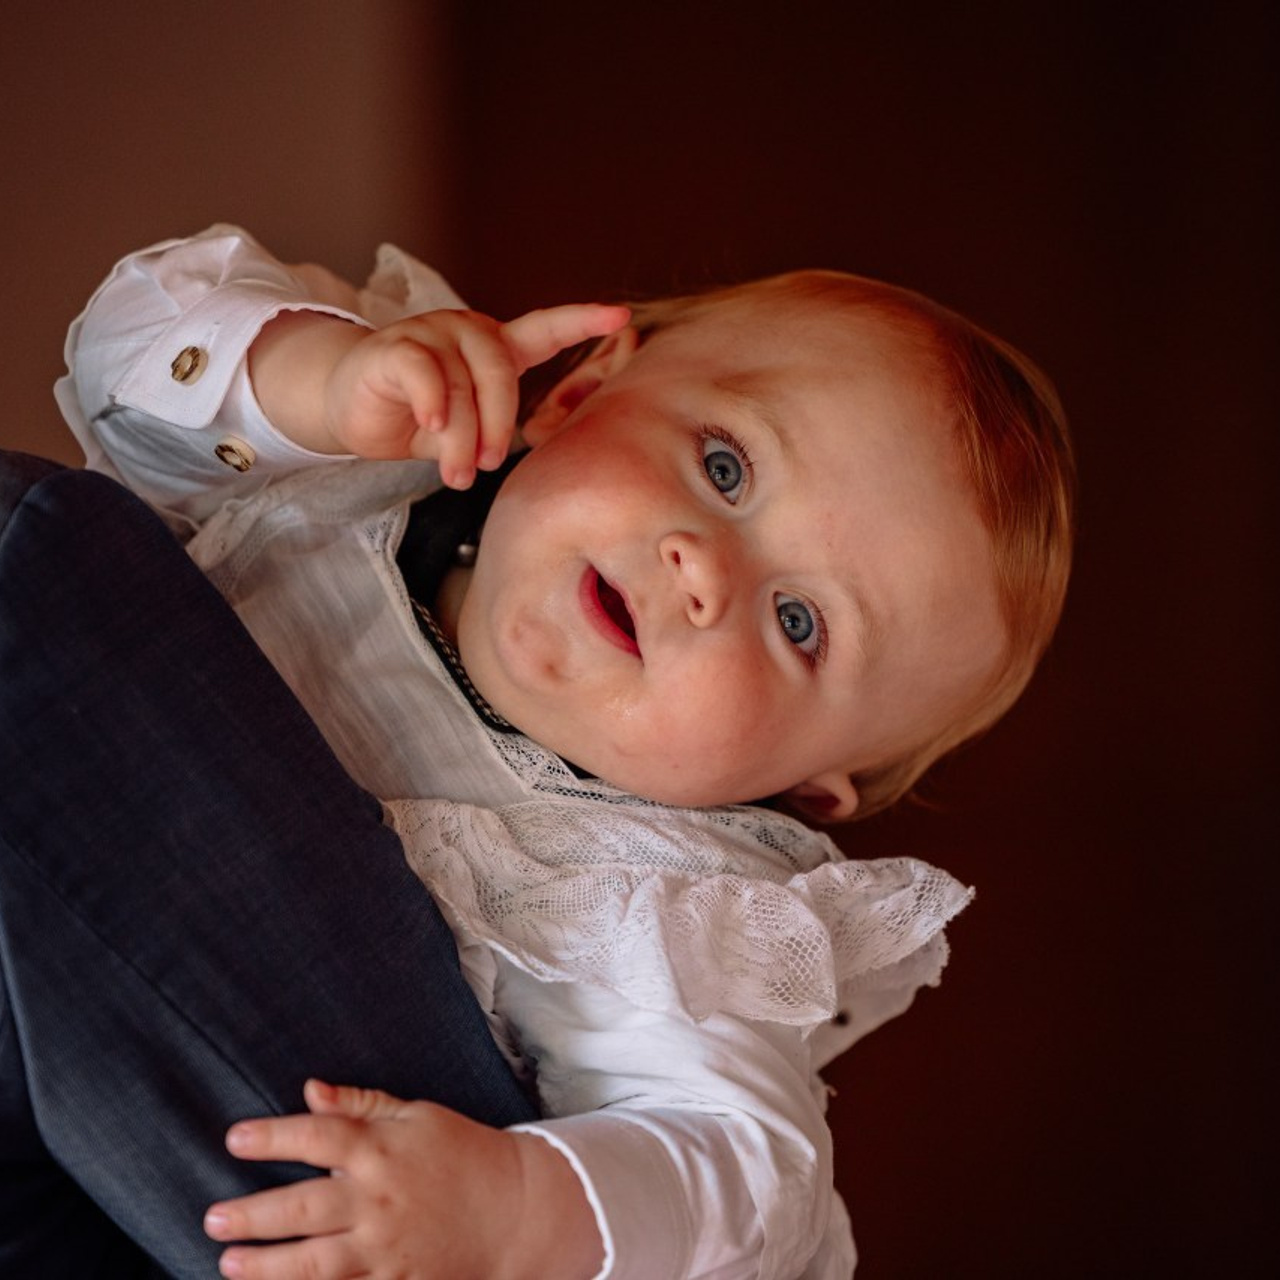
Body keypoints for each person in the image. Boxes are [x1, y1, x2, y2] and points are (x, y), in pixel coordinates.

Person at [22, 223, 1071, 1278]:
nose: (700, 569)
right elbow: (123, 363)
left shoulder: (655, 895)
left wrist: (520, 1210)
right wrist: (313, 380)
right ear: (577, 395)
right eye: (723, 466)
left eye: (798, 621)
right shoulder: (367, 461)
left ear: (797, 781)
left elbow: (749, 1172)